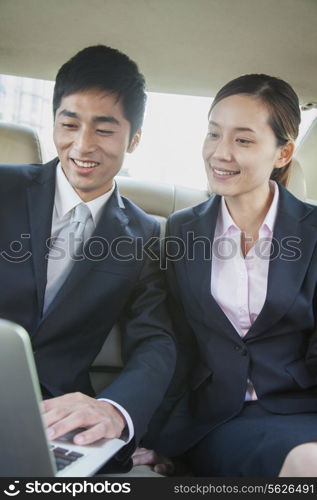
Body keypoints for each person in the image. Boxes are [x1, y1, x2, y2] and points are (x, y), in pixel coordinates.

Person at [0, 45, 176, 472]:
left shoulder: (145, 235)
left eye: (104, 129)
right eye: (70, 123)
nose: (82, 145)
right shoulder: (4, 189)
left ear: (133, 139)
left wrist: (116, 410)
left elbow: (156, 339)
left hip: (61, 420)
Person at [137, 74, 317, 476]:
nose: (220, 153)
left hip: (304, 408)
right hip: (219, 418)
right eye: (213, 134)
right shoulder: (182, 230)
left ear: (283, 153)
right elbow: (174, 342)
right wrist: (153, 433)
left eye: (243, 140)